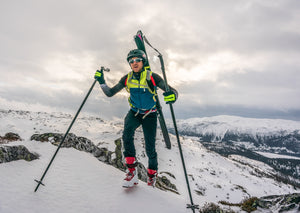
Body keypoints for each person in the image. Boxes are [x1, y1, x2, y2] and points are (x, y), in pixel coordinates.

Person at [94, 49, 178, 188]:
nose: (134, 63)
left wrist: (173, 95)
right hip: (134, 113)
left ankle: (152, 177)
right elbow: (110, 93)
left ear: (143, 61)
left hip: (150, 114)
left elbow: (171, 90)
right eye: (131, 61)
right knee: (127, 136)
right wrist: (102, 81)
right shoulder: (127, 78)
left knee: (150, 148)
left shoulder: (152, 77)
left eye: (137, 60)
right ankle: (131, 172)